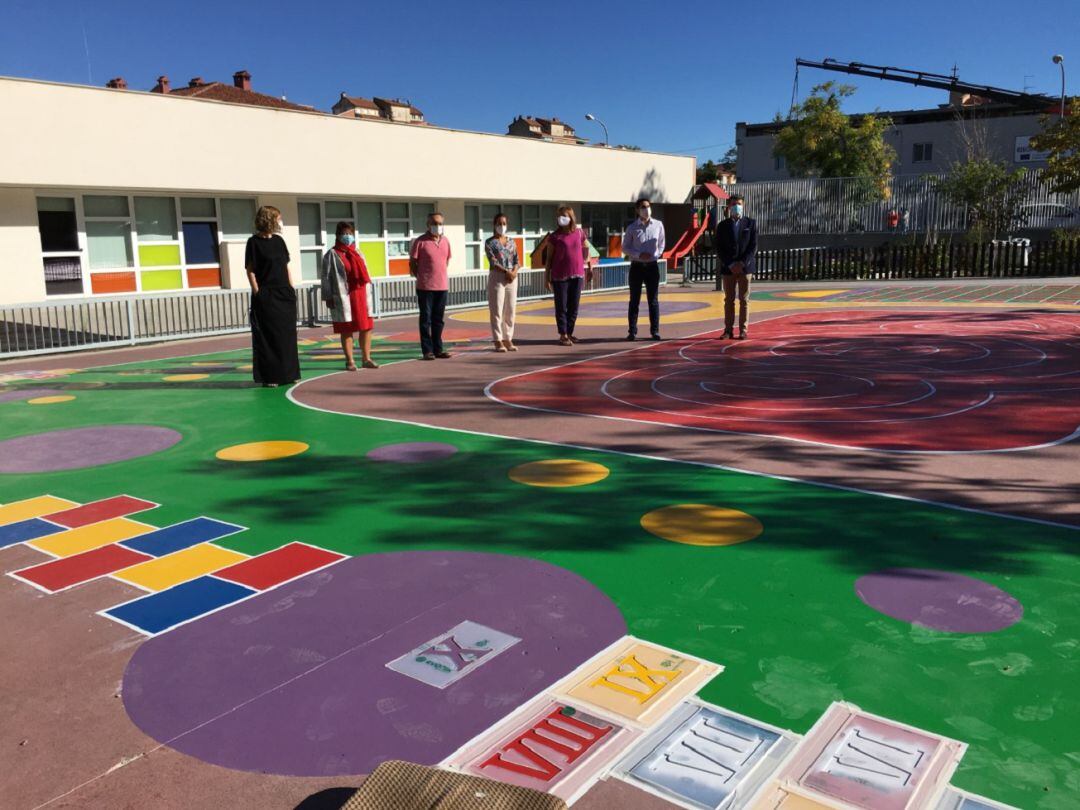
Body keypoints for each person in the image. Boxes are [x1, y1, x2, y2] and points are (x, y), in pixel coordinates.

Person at [245, 206, 300, 386]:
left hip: (284, 293)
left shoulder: (279, 241)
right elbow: (250, 270)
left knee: (287, 335)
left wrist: (291, 289)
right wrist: (258, 292)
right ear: (269, 219)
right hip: (266, 294)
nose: (280, 221)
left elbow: (286, 266)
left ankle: (289, 373)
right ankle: (271, 377)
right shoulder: (253, 242)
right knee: (270, 336)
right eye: (278, 218)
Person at [321, 221, 377, 370]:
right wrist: (327, 297)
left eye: (350, 233)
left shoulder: (358, 252)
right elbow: (325, 277)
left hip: (361, 294)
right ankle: (350, 361)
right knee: (346, 328)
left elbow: (366, 273)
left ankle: (367, 359)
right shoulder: (332, 254)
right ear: (338, 236)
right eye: (344, 234)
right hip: (343, 296)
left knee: (366, 327)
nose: (347, 236)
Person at [544, 205, 592, 346]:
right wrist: (546, 277)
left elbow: (586, 249)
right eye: (559, 216)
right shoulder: (554, 237)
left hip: (577, 274)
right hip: (560, 277)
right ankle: (563, 334)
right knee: (561, 306)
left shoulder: (579, 233)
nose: (561, 218)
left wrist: (590, 267)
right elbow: (548, 259)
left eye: (564, 215)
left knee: (574, 307)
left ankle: (570, 333)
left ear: (571, 217)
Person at [409, 211, 452, 360]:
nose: (437, 226)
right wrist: (421, 277)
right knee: (425, 319)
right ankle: (427, 350)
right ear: (428, 225)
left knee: (438, 320)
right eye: (434, 223)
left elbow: (446, 260)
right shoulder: (420, 241)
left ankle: (438, 349)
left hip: (442, 286)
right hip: (425, 287)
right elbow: (412, 262)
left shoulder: (445, 241)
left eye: (440, 223)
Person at [622, 197, 666, 340]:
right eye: (642, 207)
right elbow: (625, 247)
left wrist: (655, 255)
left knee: (653, 300)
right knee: (634, 300)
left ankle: (655, 331)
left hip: (652, 267)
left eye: (647, 206)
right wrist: (639, 254)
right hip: (637, 267)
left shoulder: (658, 225)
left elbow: (661, 244)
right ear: (637, 210)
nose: (646, 209)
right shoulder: (632, 228)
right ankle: (632, 331)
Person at [715, 194, 757, 340]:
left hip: (745, 269)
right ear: (728, 206)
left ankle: (743, 330)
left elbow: (753, 247)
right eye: (733, 204)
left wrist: (742, 263)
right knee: (729, 300)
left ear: (743, 205)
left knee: (744, 300)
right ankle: (728, 330)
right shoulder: (722, 225)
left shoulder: (750, 224)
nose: (736, 206)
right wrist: (731, 264)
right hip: (729, 269)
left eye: (738, 203)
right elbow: (719, 248)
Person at [485, 213, 519, 352]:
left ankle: (508, 338)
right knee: (497, 310)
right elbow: (493, 261)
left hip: (512, 278)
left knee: (510, 310)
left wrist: (514, 272)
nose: (502, 226)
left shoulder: (511, 241)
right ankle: (498, 340)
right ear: (494, 225)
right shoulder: (489, 242)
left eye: (504, 223)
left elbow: (517, 260)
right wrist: (506, 272)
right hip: (498, 276)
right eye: (499, 223)